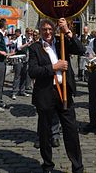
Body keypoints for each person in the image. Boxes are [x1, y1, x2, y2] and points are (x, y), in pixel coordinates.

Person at [29, 17, 84, 173]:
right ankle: (47, 165)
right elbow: (32, 71)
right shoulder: (35, 48)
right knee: (45, 132)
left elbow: (81, 50)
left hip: (64, 92)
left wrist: (67, 30)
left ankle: (77, 166)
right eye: (44, 29)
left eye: (50, 29)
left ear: (54, 31)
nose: (47, 32)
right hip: (45, 94)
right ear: (40, 31)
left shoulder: (61, 43)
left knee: (71, 131)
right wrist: (54, 67)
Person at [11, 28, 31, 100]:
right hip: (19, 58)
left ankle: (22, 91)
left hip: (26, 59)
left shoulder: (30, 39)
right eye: (29, 33)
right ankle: (14, 92)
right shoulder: (20, 38)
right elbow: (19, 47)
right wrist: (27, 44)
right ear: (26, 32)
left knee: (24, 75)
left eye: (31, 34)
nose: (30, 35)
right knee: (17, 75)